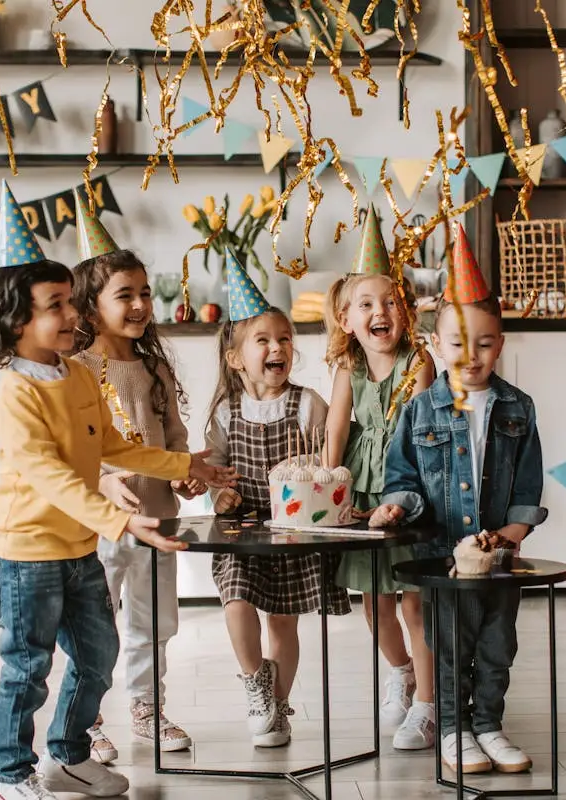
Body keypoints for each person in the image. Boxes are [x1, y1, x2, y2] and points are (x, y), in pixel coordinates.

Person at [0, 181, 236, 800]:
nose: (72, 315)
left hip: (76, 550)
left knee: (99, 653)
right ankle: (10, 774)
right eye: (57, 305)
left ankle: (68, 755)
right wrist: (122, 522)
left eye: (70, 302)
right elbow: (51, 475)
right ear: (15, 320)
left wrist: (180, 464)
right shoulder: (17, 394)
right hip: (26, 555)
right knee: (28, 668)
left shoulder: (72, 376)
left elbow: (111, 444)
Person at [369, 222, 547, 776]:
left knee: (498, 642)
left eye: (485, 342)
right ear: (434, 345)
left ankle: (488, 723)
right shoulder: (420, 410)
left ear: (501, 342)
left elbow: (526, 485)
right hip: (444, 558)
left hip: (498, 561)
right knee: (447, 644)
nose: (471, 354)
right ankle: (452, 729)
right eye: (457, 343)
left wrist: (512, 535)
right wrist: (398, 505)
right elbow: (403, 475)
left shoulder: (518, 408)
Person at [68, 216, 203, 763]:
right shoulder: (75, 370)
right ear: (89, 305)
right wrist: (101, 479)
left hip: (158, 522)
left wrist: (186, 473)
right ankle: (87, 720)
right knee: (94, 627)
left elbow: (174, 440)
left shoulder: (154, 371)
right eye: (125, 295)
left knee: (154, 622)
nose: (141, 304)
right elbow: (71, 454)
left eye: (145, 292)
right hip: (96, 526)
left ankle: (148, 708)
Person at [206, 250, 351, 748]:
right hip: (243, 528)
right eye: (263, 340)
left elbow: (328, 461)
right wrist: (220, 493)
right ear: (235, 357)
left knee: (284, 620)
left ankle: (279, 705)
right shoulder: (226, 411)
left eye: (284, 339)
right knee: (236, 599)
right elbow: (215, 471)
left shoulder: (308, 403)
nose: (277, 348)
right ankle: (255, 686)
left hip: (295, 526)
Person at [322, 206, 437, 750]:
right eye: (366, 304)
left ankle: (428, 705)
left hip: (407, 493)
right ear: (347, 319)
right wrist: (326, 486)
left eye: (391, 301)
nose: (380, 311)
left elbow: (416, 435)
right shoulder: (349, 368)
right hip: (360, 497)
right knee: (372, 600)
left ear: (406, 313)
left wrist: (401, 496)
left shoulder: (420, 363)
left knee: (414, 600)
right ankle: (402, 671)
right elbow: (336, 430)